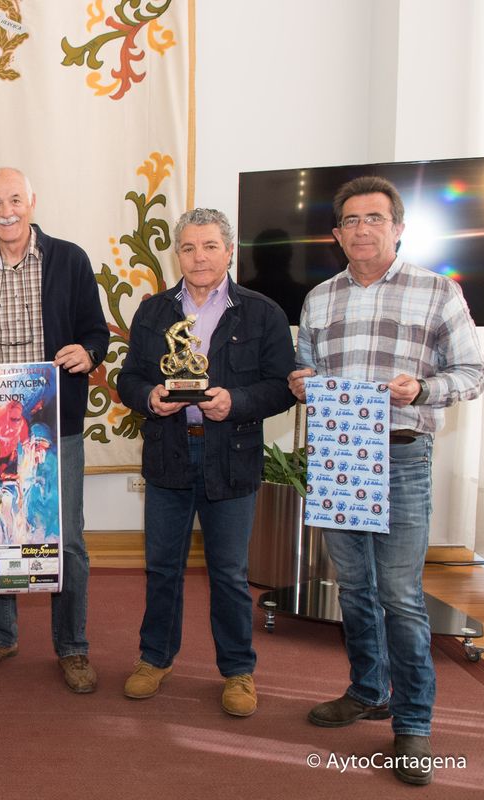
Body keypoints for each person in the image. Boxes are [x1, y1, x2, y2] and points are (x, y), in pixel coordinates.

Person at [290, 176, 484, 785]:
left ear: (398, 227)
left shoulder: (437, 292)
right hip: (338, 456)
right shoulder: (320, 298)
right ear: (336, 234)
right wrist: (300, 381)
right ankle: (367, 689)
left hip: (401, 453)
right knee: (352, 586)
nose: (362, 229)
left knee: (400, 594)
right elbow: (306, 367)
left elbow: (473, 371)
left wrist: (423, 389)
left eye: (375, 218)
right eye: (350, 220)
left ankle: (414, 722)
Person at [117, 207, 296, 717]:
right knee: (162, 568)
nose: (199, 257)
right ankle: (154, 659)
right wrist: (150, 396)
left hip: (231, 455)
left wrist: (233, 402)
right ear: (178, 253)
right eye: (190, 248)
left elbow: (280, 387)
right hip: (170, 451)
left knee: (230, 573)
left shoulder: (261, 312)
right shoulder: (152, 312)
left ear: (229, 251)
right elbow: (129, 378)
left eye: (210, 246)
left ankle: (238, 671)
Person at [0, 167, 109, 693]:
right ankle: (0, 634)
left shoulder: (69, 259)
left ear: (33, 202)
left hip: (53, 420)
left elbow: (95, 331)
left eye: (14, 199)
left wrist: (89, 351)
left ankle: (72, 646)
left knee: (65, 536)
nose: (6, 211)